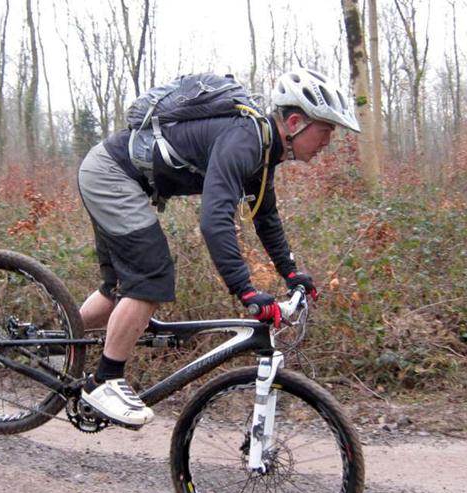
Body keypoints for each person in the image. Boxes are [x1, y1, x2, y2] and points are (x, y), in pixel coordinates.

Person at [76, 67, 361, 427]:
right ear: (294, 123)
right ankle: (104, 381)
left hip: (112, 173)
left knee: (119, 289)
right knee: (150, 278)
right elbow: (214, 220)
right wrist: (245, 290)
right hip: (110, 174)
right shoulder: (246, 140)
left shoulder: (263, 149)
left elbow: (266, 217)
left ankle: (58, 344)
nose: (327, 143)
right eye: (325, 131)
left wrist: (291, 273)